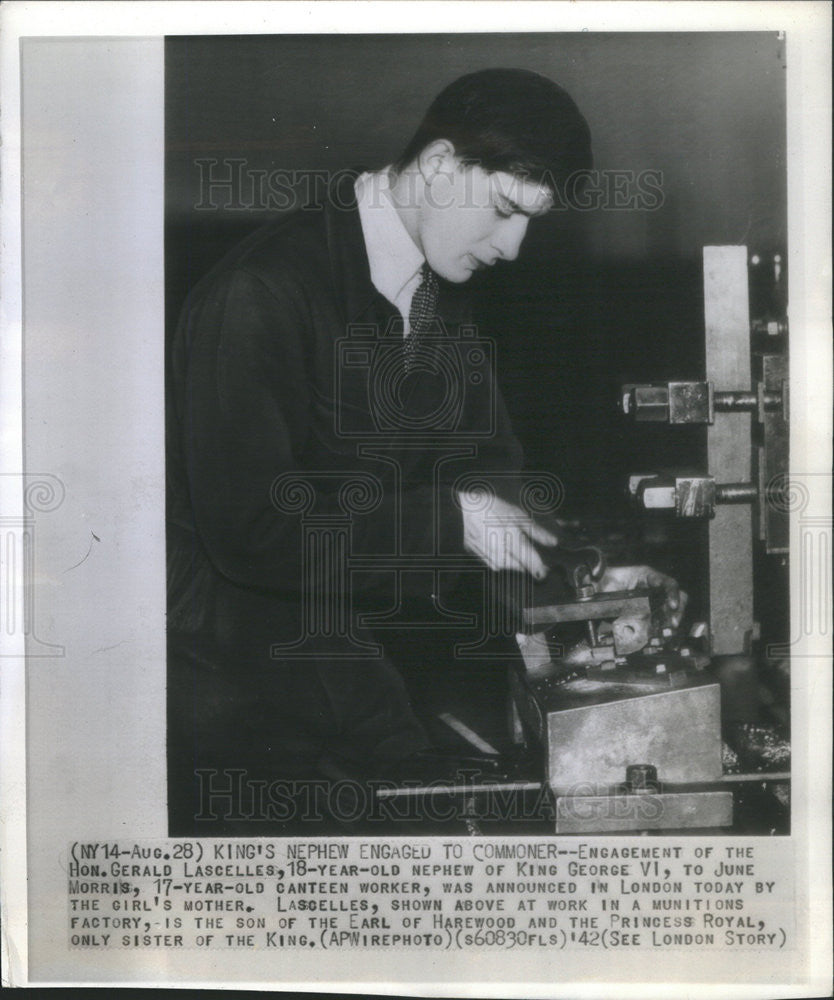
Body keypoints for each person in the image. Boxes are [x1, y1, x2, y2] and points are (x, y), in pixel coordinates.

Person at [166, 68, 684, 832]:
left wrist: (581, 572)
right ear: (440, 166)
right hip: (233, 698)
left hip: (350, 668)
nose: (513, 248)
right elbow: (252, 534)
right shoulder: (262, 292)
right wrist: (453, 524)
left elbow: (485, 471)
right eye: (505, 211)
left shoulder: (438, 292)